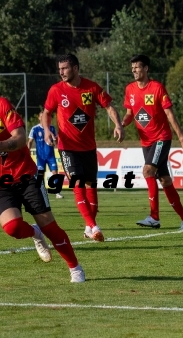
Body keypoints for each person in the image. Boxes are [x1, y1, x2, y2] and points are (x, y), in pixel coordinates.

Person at [0, 68, 85, 283]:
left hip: (25, 174)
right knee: (12, 227)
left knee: (49, 225)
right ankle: (34, 234)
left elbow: (20, 139)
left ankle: (75, 268)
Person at [41, 54, 125, 242]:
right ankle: (93, 226)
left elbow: (109, 107)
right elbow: (46, 113)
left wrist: (118, 125)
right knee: (78, 183)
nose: (61, 72)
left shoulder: (92, 87)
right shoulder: (56, 90)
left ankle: (89, 227)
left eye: (65, 68)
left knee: (91, 186)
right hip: (67, 147)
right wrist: (47, 130)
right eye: (59, 68)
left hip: (88, 147)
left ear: (76, 68)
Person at [122, 54, 183, 230]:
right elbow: (130, 113)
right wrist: (121, 124)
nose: (134, 71)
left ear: (146, 68)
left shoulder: (157, 88)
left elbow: (170, 115)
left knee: (147, 171)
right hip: (146, 142)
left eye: (137, 67)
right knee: (165, 181)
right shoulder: (130, 89)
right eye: (132, 68)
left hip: (161, 138)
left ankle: (154, 217)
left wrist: (182, 139)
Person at [27, 109, 64, 199]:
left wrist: (54, 142)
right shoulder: (35, 129)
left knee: (55, 173)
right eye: (41, 116)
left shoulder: (51, 128)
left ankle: (57, 192)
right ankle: (40, 192)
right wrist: (28, 151)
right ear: (40, 118)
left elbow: (56, 142)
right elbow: (30, 141)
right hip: (41, 157)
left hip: (50, 156)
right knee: (40, 174)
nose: (43, 117)